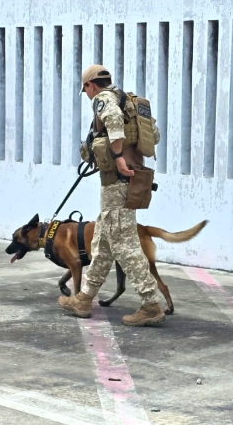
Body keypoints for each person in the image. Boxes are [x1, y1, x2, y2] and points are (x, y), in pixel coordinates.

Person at [58, 65, 165, 327]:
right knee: (102, 245)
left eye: (85, 89)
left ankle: (150, 303)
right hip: (130, 180)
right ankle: (84, 298)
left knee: (125, 247)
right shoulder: (130, 102)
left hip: (118, 182)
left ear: (90, 85)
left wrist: (117, 156)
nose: (86, 94)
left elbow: (114, 120)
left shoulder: (104, 99)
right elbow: (155, 136)